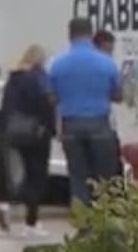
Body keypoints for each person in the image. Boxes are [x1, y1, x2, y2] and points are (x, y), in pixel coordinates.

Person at [48, 18, 122, 205]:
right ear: (90, 34)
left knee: (78, 176)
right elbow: (118, 95)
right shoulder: (106, 62)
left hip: (70, 125)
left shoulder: (57, 64)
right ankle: (104, 215)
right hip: (100, 124)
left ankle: (82, 216)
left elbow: (52, 98)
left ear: (69, 35)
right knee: (105, 177)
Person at [0, 44, 56, 238]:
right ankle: (31, 223)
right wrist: (51, 129)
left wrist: (6, 131)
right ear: (40, 60)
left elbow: (5, 108)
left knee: (26, 176)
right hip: (37, 134)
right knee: (37, 179)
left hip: (16, 134)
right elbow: (46, 105)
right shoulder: (40, 78)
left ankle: (9, 206)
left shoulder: (13, 79)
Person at [92, 29, 126, 180]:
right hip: (102, 124)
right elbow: (118, 96)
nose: (110, 54)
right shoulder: (107, 66)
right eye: (108, 50)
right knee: (110, 168)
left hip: (79, 123)